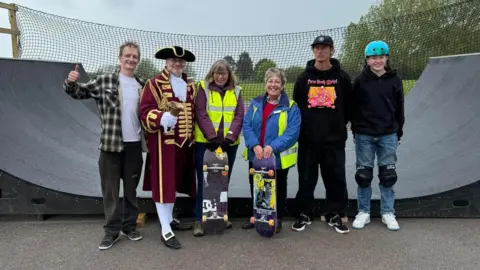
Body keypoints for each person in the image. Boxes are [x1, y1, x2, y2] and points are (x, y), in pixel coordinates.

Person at [63, 41, 146, 250]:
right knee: (110, 191)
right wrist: (71, 82)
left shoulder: (142, 84)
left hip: (134, 146)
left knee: (130, 190)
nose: (131, 59)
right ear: (120, 59)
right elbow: (78, 92)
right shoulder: (105, 80)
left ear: (138, 60)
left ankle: (129, 227)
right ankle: (111, 231)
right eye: (127, 55)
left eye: (134, 56)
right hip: (110, 146)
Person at [291, 35, 353, 234]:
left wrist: (336, 127)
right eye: (317, 48)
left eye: (324, 48)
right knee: (306, 180)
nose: (320, 51)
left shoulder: (342, 77)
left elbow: (349, 106)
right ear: (313, 51)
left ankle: (334, 214)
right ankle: (304, 213)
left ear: (332, 51)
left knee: (335, 179)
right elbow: (297, 107)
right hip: (308, 141)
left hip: (334, 141)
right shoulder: (303, 78)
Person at [139, 45, 197, 250]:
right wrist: (163, 117)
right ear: (166, 62)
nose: (177, 64)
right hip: (164, 144)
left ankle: (169, 219)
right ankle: (165, 228)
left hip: (184, 145)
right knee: (163, 184)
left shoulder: (190, 85)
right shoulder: (153, 84)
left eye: (180, 61)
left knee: (173, 183)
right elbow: (144, 111)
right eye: (173, 60)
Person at [350, 40, 405, 231]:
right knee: (363, 175)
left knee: (388, 175)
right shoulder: (360, 81)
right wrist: (356, 130)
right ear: (367, 60)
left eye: (381, 57)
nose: (377, 61)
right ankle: (363, 211)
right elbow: (353, 108)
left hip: (388, 134)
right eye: (373, 58)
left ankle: (387, 212)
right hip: (365, 134)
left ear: (386, 58)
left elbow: (400, 108)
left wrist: (399, 131)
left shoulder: (395, 81)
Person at [241, 67, 301, 233]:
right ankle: (258, 217)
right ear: (265, 84)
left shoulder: (291, 107)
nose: (273, 85)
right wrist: (255, 145)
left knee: (278, 188)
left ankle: (277, 218)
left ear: (282, 86)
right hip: (257, 155)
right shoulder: (255, 103)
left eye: (277, 82)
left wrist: (271, 147)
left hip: (278, 157)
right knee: (256, 186)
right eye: (270, 81)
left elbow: (292, 133)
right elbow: (246, 125)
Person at [192, 59, 245, 236]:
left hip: (229, 144)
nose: (220, 76)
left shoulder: (237, 90)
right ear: (212, 74)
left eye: (224, 73)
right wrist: (212, 137)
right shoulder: (203, 87)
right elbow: (200, 112)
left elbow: (239, 115)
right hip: (206, 143)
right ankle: (199, 220)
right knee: (204, 180)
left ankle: (220, 216)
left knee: (223, 181)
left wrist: (230, 137)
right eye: (217, 73)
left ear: (229, 75)